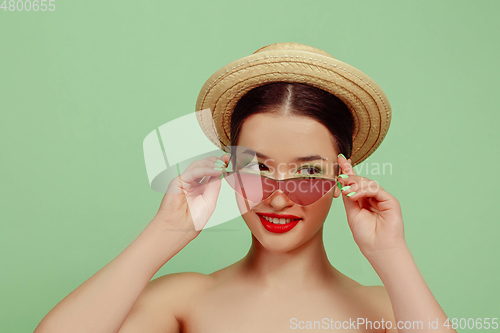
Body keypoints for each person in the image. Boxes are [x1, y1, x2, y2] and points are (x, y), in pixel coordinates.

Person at [34, 43, 455, 333]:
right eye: (256, 167)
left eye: (308, 174)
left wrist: (390, 254)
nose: (276, 196)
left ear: (341, 179)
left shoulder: (386, 309)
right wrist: (165, 232)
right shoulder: (185, 299)